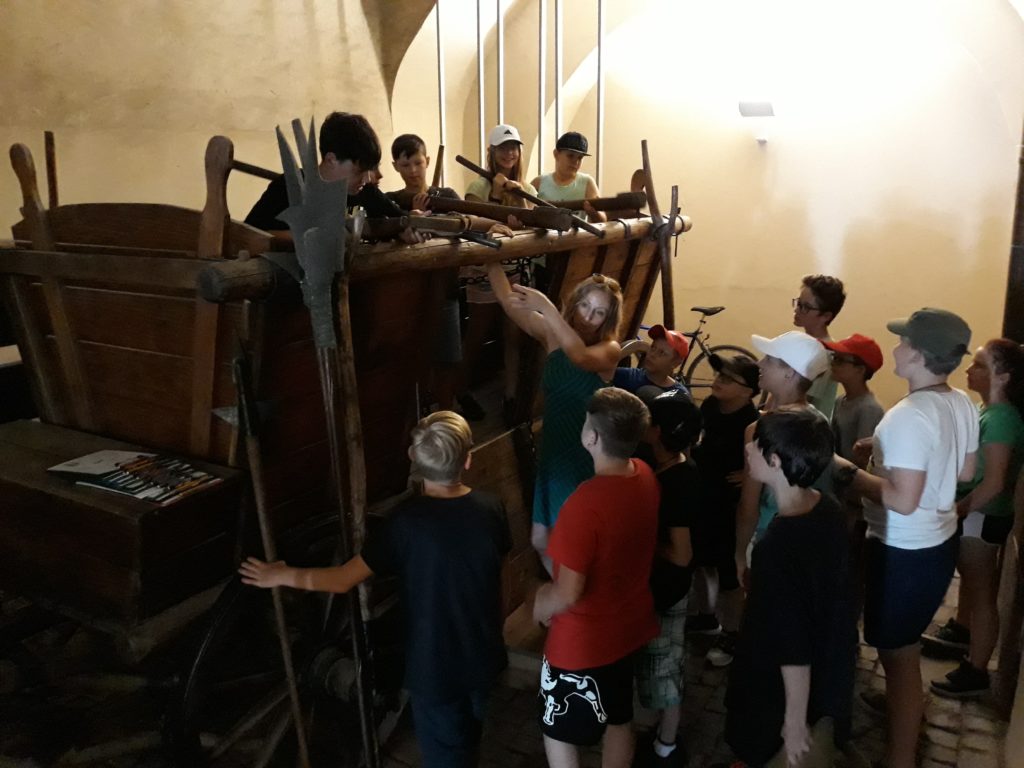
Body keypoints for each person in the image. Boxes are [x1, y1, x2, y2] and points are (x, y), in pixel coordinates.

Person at [238, 411, 510, 768]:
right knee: (469, 736)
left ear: (413, 458)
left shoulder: (406, 523)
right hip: (484, 655)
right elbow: (493, 571)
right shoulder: (491, 509)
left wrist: (282, 574)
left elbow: (342, 579)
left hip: (435, 668)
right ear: (468, 459)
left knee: (445, 753)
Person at [836, 308, 978, 768]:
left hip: (903, 553)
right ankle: (905, 711)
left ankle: (899, 756)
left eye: (903, 342)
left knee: (896, 654)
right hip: (938, 543)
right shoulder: (959, 401)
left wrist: (849, 472)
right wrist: (884, 454)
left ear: (917, 353)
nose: (895, 348)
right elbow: (964, 470)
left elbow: (901, 500)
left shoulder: (907, 416)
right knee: (906, 645)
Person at [533, 388, 660, 768]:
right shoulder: (645, 474)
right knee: (619, 717)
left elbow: (569, 592)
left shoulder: (584, 503)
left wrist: (540, 603)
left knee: (557, 729)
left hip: (582, 642)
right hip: (628, 627)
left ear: (591, 437)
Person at [724, 409, 857, 768]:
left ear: (775, 460)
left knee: (763, 745)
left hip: (774, 683)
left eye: (756, 444)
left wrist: (794, 722)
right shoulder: (827, 507)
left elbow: (791, 641)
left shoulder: (776, 548)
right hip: (824, 662)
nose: (748, 448)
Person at [488, 262, 622, 568]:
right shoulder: (552, 333)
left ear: (608, 319)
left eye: (599, 312)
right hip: (554, 448)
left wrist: (547, 308)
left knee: (573, 540)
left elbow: (579, 356)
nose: (587, 317)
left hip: (586, 454)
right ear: (575, 303)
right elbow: (508, 302)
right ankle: (568, 592)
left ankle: (573, 593)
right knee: (540, 539)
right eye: (585, 305)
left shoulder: (610, 349)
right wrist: (491, 258)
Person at [385, 133, 513, 417]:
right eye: (405, 165)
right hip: (407, 295)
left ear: (427, 161)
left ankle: (446, 417)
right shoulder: (391, 202)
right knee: (412, 362)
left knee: (448, 359)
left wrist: (491, 225)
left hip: (445, 290)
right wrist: (413, 217)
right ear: (395, 166)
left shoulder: (446, 196)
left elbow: (469, 220)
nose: (413, 170)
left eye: (418, 163)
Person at [722, 331, 829, 668]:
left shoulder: (761, 430)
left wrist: (739, 554)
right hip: (805, 538)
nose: (760, 363)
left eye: (769, 360)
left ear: (789, 373)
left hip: (767, 538)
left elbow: (748, 505)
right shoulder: (819, 422)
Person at [926, 339, 1024, 699]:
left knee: (982, 592)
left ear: (1004, 376)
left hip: (983, 514)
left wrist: (960, 509)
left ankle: (977, 669)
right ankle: (962, 633)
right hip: (976, 513)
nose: (970, 370)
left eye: (981, 365)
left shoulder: (1001, 419)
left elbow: (994, 481)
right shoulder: (990, 412)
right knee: (971, 582)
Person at [634, 391, 703, 766]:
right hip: (659, 588)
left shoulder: (678, 481)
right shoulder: (666, 465)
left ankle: (667, 745)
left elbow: (681, 553)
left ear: (657, 431)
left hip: (669, 590)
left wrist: (644, 540)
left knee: (665, 668)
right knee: (659, 664)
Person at [460, 124, 539, 421]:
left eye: (513, 147)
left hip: (515, 268)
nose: (509, 153)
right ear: (491, 152)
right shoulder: (477, 187)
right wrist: (495, 194)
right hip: (483, 269)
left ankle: (511, 395)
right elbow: (477, 222)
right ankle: (460, 390)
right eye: (503, 148)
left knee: (513, 334)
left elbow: (534, 224)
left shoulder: (527, 188)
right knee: (476, 334)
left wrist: (519, 198)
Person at [688, 355, 760, 640]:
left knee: (730, 571)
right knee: (701, 560)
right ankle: (706, 616)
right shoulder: (709, 405)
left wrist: (749, 473)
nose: (719, 380)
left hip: (729, 503)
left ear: (747, 392)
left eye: (729, 379)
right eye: (720, 374)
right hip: (704, 493)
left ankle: (733, 633)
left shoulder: (752, 423)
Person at [244, 111, 382, 233]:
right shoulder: (289, 186)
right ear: (331, 160)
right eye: (359, 171)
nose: (366, 179)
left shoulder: (365, 192)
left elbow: (392, 222)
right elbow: (249, 236)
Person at [824, 333, 885, 465]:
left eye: (840, 360)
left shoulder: (869, 409)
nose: (833, 364)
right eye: (834, 357)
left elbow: (863, 461)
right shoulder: (841, 400)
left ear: (860, 370)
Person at [791, 274, 847, 419]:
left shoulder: (824, 352)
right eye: (798, 303)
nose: (797, 310)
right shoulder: (803, 344)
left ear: (826, 316)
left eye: (805, 307)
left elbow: (800, 402)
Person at [530, 131, 606, 222]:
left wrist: (593, 213)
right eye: (570, 156)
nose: (576, 162)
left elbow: (602, 220)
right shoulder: (538, 182)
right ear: (556, 154)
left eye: (580, 158)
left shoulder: (587, 182)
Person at [614, 325, 691, 397]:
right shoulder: (626, 377)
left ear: (675, 363)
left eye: (662, 353)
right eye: (653, 347)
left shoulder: (679, 396)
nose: (652, 354)